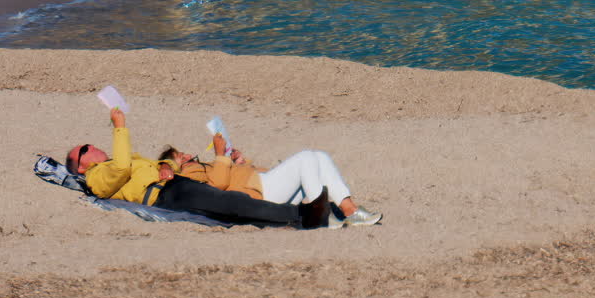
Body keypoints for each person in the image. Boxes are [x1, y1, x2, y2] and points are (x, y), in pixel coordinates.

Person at [67, 108, 331, 229]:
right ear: (81, 166)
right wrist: (119, 127)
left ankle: (292, 219)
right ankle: (301, 215)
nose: (91, 145)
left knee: (230, 204)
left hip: (172, 184)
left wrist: (166, 165)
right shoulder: (96, 177)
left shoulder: (112, 163)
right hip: (164, 195)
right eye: (84, 149)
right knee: (229, 204)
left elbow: (151, 166)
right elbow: (123, 168)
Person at [158, 134, 383, 227]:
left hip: (264, 182)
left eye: (184, 153)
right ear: (176, 167)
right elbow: (218, 185)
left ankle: (350, 210)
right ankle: (321, 216)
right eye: (181, 157)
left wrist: (240, 161)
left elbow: (231, 176)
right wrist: (219, 155)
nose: (187, 156)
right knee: (306, 157)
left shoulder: (204, 165)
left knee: (319, 156)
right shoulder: (187, 176)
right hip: (262, 192)